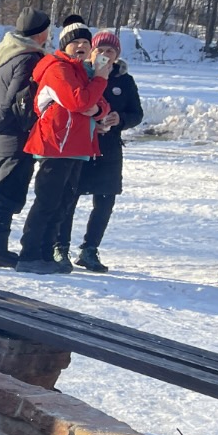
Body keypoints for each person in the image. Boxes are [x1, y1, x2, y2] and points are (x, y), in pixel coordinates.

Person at [14, 17, 111, 274]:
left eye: (86, 42)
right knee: (47, 202)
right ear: (64, 46)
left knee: (63, 204)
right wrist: (100, 80)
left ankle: (46, 255)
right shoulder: (58, 69)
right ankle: (30, 255)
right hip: (55, 144)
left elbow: (99, 104)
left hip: (77, 146)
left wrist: (98, 108)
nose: (81, 46)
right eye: (75, 42)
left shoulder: (81, 71)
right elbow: (78, 102)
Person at [57, 30, 142, 273]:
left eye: (110, 51)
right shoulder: (81, 74)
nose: (105, 55)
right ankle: (60, 246)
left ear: (117, 55)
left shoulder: (124, 80)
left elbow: (137, 113)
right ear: (91, 53)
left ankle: (90, 249)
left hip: (110, 147)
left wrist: (120, 119)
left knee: (105, 199)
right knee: (69, 196)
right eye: (100, 50)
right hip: (81, 144)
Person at [0, 8, 50, 267]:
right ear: (40, 33)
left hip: (1, 136)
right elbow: (14, 99)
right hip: (15, 135)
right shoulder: (29, 59)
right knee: (6, 192)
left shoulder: (7, 53)